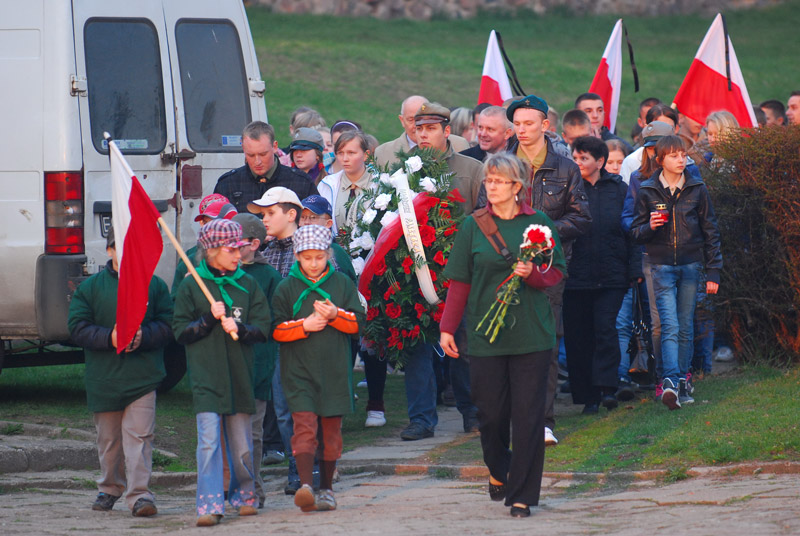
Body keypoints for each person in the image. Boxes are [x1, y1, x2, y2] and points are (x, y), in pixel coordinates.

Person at [439, 152, 566, 518]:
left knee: (528, 417)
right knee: (491, 415)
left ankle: (523, 495)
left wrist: (533, 275)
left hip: (532, 335)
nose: (491, 187)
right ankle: (499, 469)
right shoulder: (473, 226)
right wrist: (448, 327)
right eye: (488, 181)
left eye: (498, 181)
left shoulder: (539, 223)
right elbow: (460, 282)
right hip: (485, 336)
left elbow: (556, 273)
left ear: (516, 186)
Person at [477, 94, 591, 448]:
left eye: (529, 123)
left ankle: (542, 421)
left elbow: (582, 217)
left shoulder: (565, 168)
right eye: (518, 124)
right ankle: (509, 416)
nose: (522, 130)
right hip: (503, 266)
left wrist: (544, 235)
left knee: (544, 344)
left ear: (545, 125)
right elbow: (483, 212)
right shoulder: (499, 163)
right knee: (505, 340)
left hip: (549, 270)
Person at [67, 227, 172, 518]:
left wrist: (144, 336)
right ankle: (109, 487)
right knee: (109, 440)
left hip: (143, 376)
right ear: (109, 250)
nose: (126, 254)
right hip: (105, 377)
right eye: (119, 248)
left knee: (140, 437)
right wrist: (108, 338)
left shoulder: (154, 286)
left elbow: (168, 323)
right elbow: (76, 327)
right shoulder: (90, 288)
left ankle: (140, 495)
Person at [172, 219, 271, 526]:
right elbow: (179, 333)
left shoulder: (249, 285)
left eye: (239, 248)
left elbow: (264, 329)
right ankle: (209, 504)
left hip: (241, 378)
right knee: (209, 442)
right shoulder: (192, 285)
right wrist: (207, 320)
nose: (238, 254)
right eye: (231, 249)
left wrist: (240, 328)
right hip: (207, 378)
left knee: (242, 444)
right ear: (212, 251)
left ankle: (244, 496)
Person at [272, 225, 365, 512]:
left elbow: (358, 324)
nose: (313, 264)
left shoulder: (342, 285)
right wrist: (304, 325)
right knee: (304, 428)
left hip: (335, 371)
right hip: (299, 372)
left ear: (328, 254)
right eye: (307, 257)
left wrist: (336, 315)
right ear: (297, 256)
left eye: (319, 257)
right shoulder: (286, 287)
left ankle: (326, 489)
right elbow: (275, 330)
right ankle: (305, 486)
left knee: (331, 432)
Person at [630, 136, 722, 410]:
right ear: (660, 160)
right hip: (660, 266)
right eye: (673, 155)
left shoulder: (697, 187)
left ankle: (682, 380)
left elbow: (711, 231)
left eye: (683, 155)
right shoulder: (647, 190)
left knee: (685, 325)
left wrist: (714, 271)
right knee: (668, 325)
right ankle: (669, 380)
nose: (680, 160)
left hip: (691, 265)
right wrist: (651, 226)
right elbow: (635, 233)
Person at [563, 136, 641, 414]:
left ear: (600, 162)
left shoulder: (619, 189)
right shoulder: (568, 189)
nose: (578, 163)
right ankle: (587, 395)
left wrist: (634, 270)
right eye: (575, 157)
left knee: (606, 330)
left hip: (612, 274)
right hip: (575, 275)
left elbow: (631, 231)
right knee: (579, 336)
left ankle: (608, 387)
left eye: (584, 158)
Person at [230, 213, 282, 509]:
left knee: (253, 432)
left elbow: (271, 325)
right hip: (225, 364)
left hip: (258, 363)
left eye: (238, 242)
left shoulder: (269, 277)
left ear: (254, 243)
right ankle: (233, 485)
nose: (233, 249)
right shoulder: (222, 272)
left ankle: (253, 487)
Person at [214, 121, 318, 213]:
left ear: (275, 147)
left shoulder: (301, 182)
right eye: (250, 155)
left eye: (263, 154)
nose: (257, 161)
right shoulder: (228, 184)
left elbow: (317, 222)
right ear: (243, 148)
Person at [414, 102, 483, 215]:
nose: (423, 135)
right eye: (419, 128)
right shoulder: (403, 168)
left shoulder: (473, 168)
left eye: (430, 128)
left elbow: (481, 215)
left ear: (446, 131)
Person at [374, 95, 469, 168]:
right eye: (411, 120)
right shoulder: (383, 153)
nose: (417, 126)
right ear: (402, 120)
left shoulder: (459, 145)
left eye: (425, 121)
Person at [172, 195, 238, 298]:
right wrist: (186, 289)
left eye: (213, 223)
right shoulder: (189, 260)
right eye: (204, 222)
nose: (206, 227)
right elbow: (175, 302)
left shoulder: (243, 259)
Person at [317, 130, 372, 232]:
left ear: (366, 155)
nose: (345, 159)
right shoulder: (327, 185)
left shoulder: (380, 184)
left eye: (351, 153)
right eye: (340, 153)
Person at [619, 104, 680, 184]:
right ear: (646, 128)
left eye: (669, 128)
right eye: (657, 127)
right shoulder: (632, 161)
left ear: (676, 129)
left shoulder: (685, 162)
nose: (663, 133)